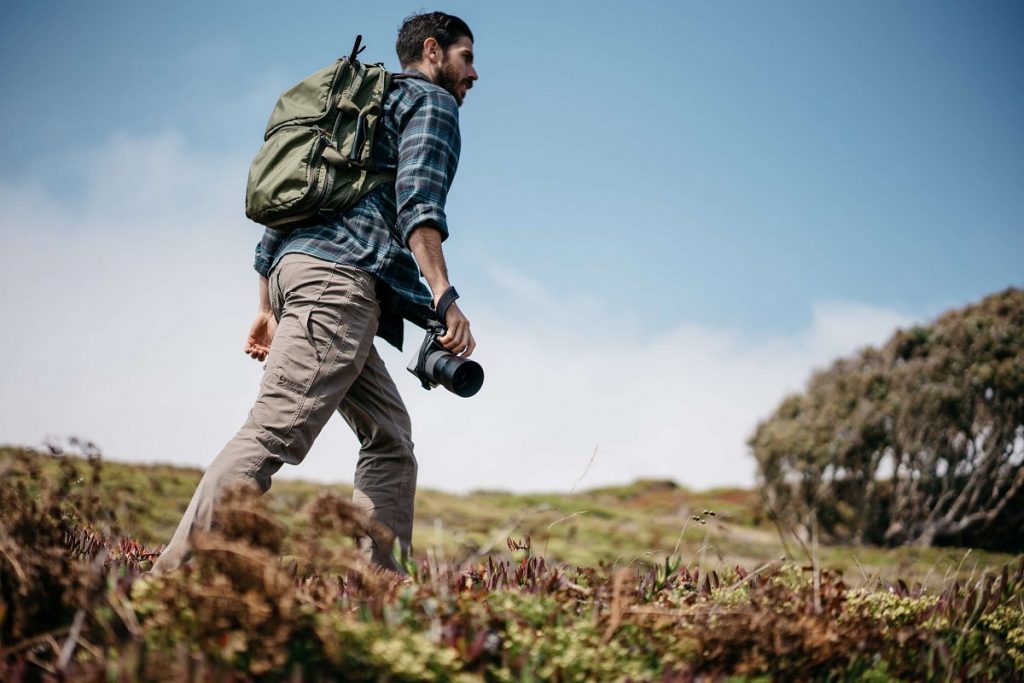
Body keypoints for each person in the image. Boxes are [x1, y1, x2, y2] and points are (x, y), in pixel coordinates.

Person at [151, 11, 478, 575]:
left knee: (391, 439)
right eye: (466, 58)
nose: (474, 74)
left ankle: (381, 587)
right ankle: (168, 581)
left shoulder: (359, 109)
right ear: (433, 51)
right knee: (275, 428)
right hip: (340, 285)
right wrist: (446, 297)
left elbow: (292, 204)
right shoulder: (431, 104)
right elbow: (418, 203)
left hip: (302, 274)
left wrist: (265, 303)